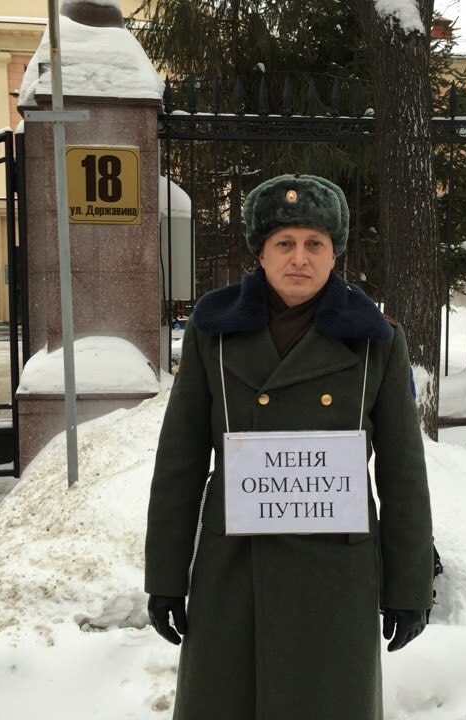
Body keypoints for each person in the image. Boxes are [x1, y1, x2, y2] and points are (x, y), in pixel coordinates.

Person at [144, 174, 434, 720]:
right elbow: (180, 462)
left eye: (314, 243)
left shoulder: (376, 340)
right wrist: (165, 578)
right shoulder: (213, 331)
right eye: (284, 243)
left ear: (334, 254)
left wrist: (409, 587)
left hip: (335, 583)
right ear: (261, 252)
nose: (299, 258)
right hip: (233, 574)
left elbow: (403, 475)